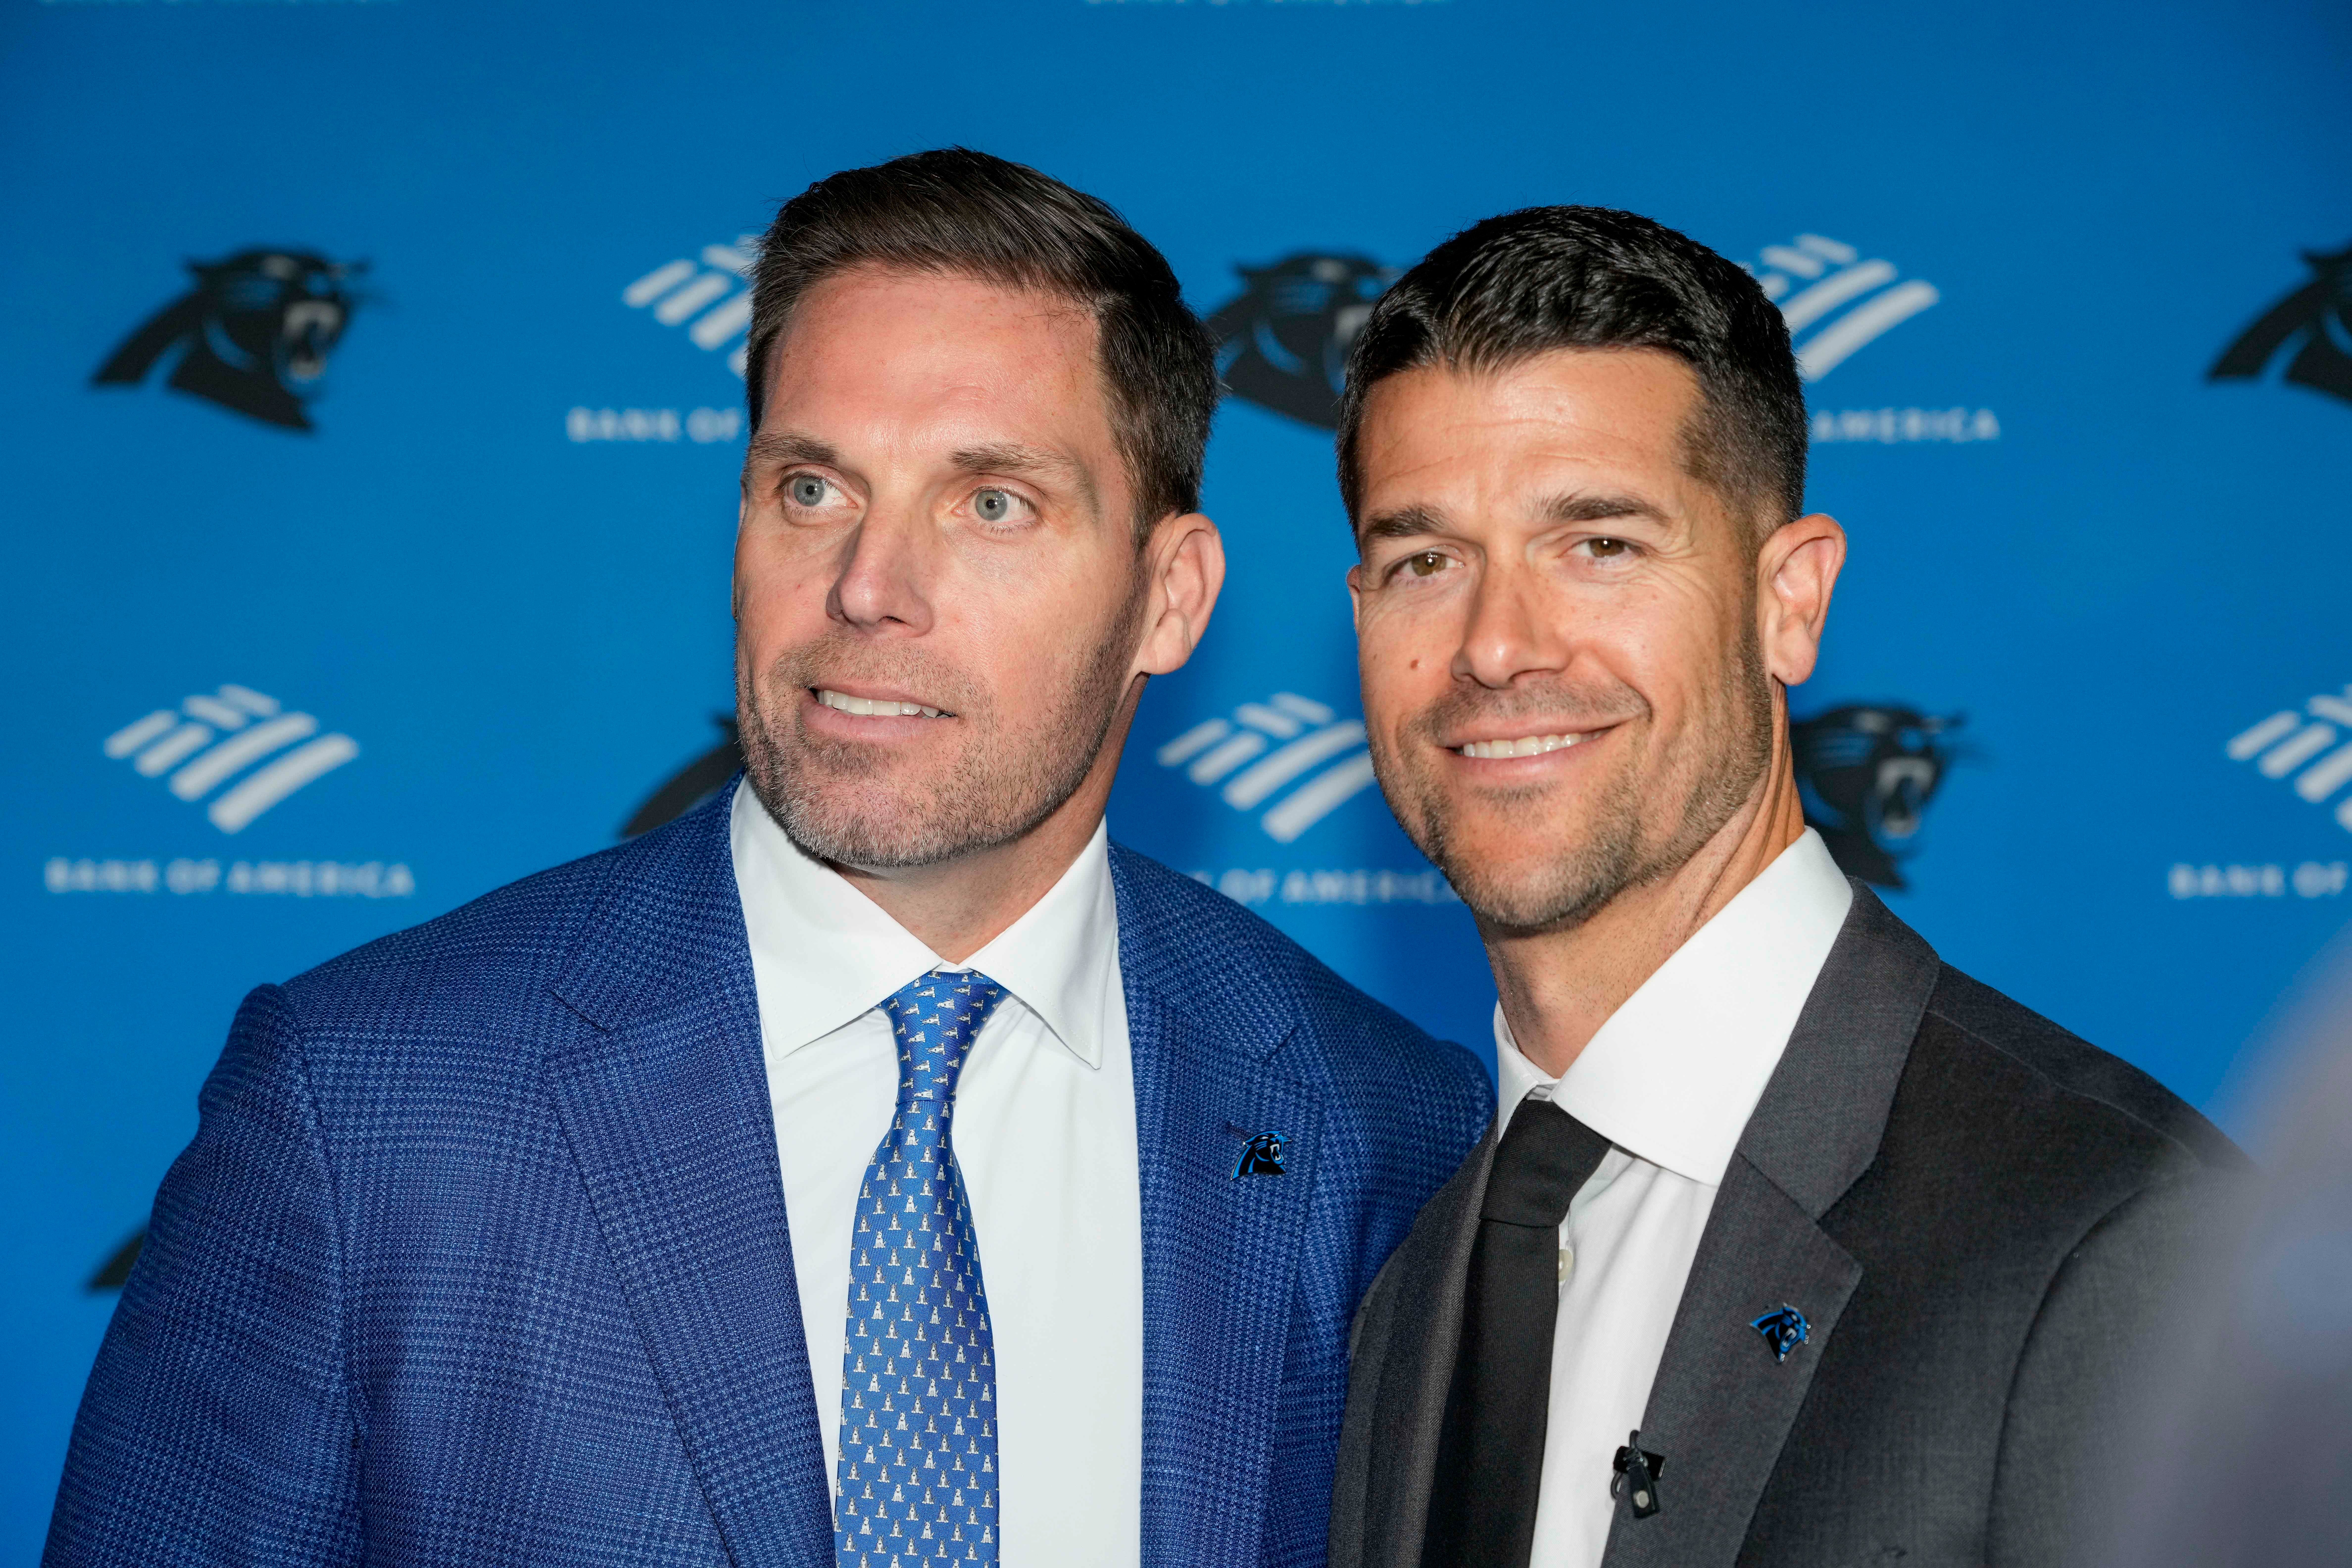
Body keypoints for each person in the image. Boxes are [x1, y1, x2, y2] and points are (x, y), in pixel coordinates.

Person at [45, 149, 1491, 1568]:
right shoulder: (365, 1110)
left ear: (1169, 601)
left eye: (990, 504)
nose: (868, 585)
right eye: (813, 489)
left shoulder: (1382, 1129)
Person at [1322, 206, 2245, 1568]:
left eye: (1602, 544)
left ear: (1790, 602)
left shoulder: (2111, 1243)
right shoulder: (1409, 1264)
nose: (1497, 646)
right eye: (1425, 561)